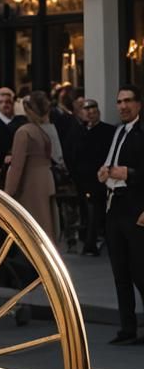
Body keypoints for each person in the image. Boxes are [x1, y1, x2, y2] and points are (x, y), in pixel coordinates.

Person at [99, 85, 144, 345]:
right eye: (119, 102)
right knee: (120, 272)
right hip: (114, 205)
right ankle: (127, 327)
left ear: (138, 104)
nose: (123, 106)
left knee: (140, 271)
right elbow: (112, 162)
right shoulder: (118, 131)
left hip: (136, 208)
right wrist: (105, 172)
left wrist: (128, 173)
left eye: (128, 101)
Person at [4, 90, 57, 241]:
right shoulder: (47, 130)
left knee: (31, 232)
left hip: (30, 184)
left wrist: (7, 194)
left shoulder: (24, 132)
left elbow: (17, 167)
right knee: (46, 226)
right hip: (46, 180)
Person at [70, 98, 115, 255]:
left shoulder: (109, 131)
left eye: (93, 110)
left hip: (101, 177)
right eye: (86, 110)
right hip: (81, 179)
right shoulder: (78, 132)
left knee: (95, 210)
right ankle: (89, 240)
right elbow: (72, 154)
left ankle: (92, 242)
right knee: (87, 211)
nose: (90, 113)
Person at [0, 86, 22, 186]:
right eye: (1, 102)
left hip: (17, 170)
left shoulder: (20, 121)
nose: (5, 105)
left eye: (8, 102)